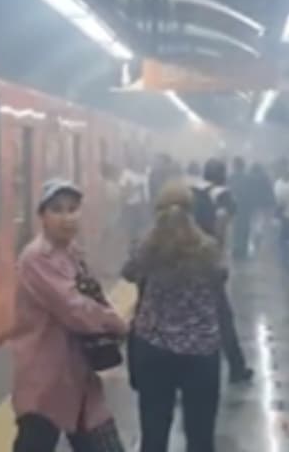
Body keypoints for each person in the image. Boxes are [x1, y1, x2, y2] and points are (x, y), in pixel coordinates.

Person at [12, 179, 129, 452]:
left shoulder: (72, 252)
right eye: (57, 210)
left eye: (73, 209)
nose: (67, 217)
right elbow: (75, 309)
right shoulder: (37, 258)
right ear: (42, 216)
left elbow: (92, 297)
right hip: (46, 378)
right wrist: (117, 323)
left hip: (79, 375)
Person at [124, 180, 226, 452]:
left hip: (153, 347)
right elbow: (220, 279)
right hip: (202, 350)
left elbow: (128, 273)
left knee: (154, 433)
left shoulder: (144, 248)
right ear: (191, 211)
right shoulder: (208, 248)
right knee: (200, 436)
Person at [188, 159, 253, 384]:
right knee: (223, 317)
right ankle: (236, 367)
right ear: (223, 175)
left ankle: (186, 366)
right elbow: (222, 223)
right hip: (207, 262)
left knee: (189, 313)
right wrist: (218, 255)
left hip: (186, 258)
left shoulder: (192, 191)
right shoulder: (223, 195)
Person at [227, 157, 252, 260]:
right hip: (245, 207)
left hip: (237, 206)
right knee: (244, 228)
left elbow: (229, 191)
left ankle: (237, 249)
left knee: (237, 228)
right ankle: (242, 249)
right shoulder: (248, 178)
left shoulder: (231, 177)